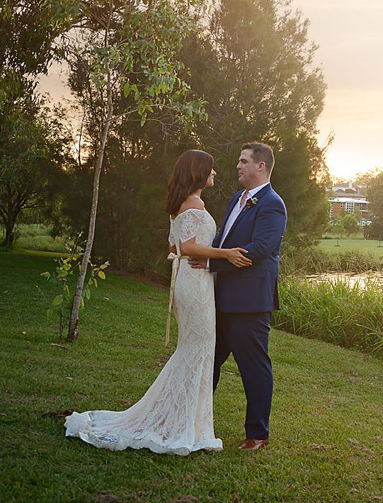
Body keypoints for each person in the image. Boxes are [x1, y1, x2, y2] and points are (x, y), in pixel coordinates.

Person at [65, 149, 252, 454]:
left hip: (191, 279)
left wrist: (201, 256)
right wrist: (226, 254)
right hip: (195, 283)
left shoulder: (179, 203)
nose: (215, 173)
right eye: (211, 168)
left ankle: (183, 419)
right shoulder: (194, 204)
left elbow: (173, 247)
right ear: (198, 171)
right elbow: (187, 247)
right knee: (198, 348)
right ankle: (182, 423)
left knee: (195, 348)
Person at [189, 141, 287, 452]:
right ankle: (194, 421)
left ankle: (257, 434)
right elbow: (224, 240)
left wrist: (211, 263)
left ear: (261, 165)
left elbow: (260, 249)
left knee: (253, 368)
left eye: (244, 161)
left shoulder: (272, 204)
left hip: (250, 302)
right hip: (221, 296)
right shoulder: (236, 199)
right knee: (209, 361)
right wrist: (209, 254)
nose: (238, 166)